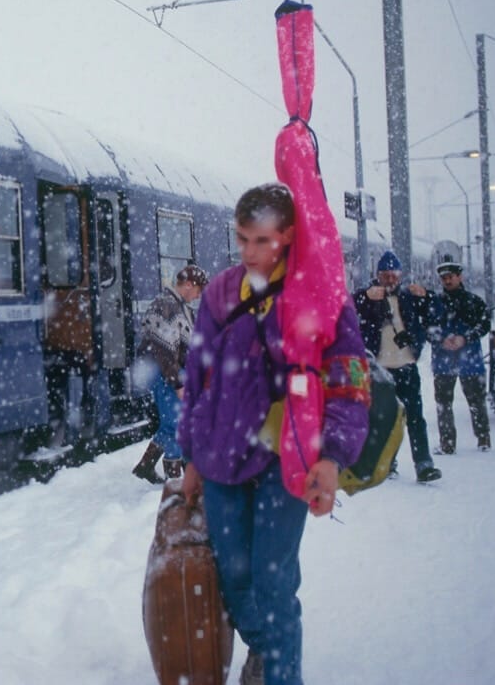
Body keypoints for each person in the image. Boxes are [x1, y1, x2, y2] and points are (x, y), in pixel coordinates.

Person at [178, 183, 370, 685]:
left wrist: (331, 455)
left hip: (286, 459)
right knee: (235, 577)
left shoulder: (322, 296)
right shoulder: (221, 292)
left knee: (273, 579)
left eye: (260, 240)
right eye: (241, 239)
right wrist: (191, 455)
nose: (248, 252)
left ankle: (283, 674)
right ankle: (263, 649)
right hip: (221, 456)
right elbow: (196, 375)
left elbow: (348, 381)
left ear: (286, 235)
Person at [353, 251, 442, 482]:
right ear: (378, 275)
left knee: (415, 416)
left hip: (406, 365)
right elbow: (348, 309)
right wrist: (364, 296)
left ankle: (423, 464)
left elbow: (437, 315)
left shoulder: (409, 297)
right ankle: (385, 463)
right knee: (381, 418)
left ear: (400, 276)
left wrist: (428, 295)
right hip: (379, 369)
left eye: (394, 276)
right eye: (385, 275)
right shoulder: (369, 297)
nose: (390, 280)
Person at [132, 264, 209, 483]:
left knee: (170, 422)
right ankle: (174, 477)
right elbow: (165, 352)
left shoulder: (180, 306)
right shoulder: (165, 306)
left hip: (171, 371)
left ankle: (146, 466)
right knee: (178, 424)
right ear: (188, 285)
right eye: (198, 291)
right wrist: (178, 383)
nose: (198, 296)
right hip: (165, 373)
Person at [427, 257, 492, 452]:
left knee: (473, 401)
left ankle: (481, 439)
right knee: (446, 402)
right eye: (444, 277)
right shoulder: (439, 302)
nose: (447, 281)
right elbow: (427, 328)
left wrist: (463, 337)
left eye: (450, 277)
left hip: (453, 359)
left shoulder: (471, 302)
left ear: (459, 276)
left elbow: (484, 325)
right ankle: (450, 442)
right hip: (462, 359)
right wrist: (443, 339)